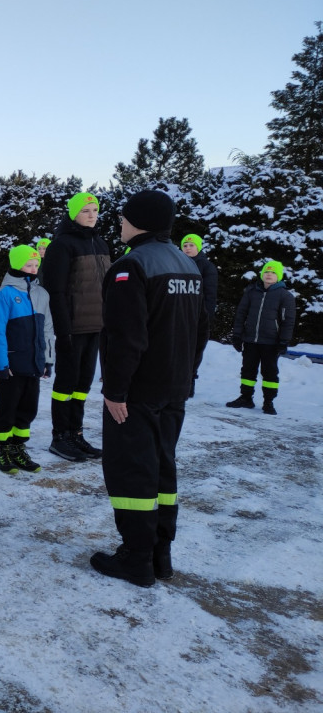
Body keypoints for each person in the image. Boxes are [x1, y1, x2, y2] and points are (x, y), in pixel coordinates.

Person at [90, 190, 209, 587]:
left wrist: (116, 390)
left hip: (139, 392)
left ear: (138, 221)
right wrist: (186, 376)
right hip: (174, 388)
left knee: (132, 472)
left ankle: (136, 558)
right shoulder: (188, 266)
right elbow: (200, 331)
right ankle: (161, 553)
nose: (119, 223)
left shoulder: (131, 266)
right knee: (163, 467)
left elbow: (126, 336)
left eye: (123, 217)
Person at [42, 192, 111, 462]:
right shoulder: (62, 245)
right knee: (66, 383)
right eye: (86, 210)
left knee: (83, 384)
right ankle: (60, 437)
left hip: (97, 326)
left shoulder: (101, 243)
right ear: (73, 213)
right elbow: (54, 291)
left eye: (95, 210)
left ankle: (76, 433)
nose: (92, 214)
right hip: (72, 328)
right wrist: (62, 329)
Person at [0, 245, 54, 475]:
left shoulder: (41, 294)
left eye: (36, 265)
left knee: (28, 408)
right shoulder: (3, 295)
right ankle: (2, 450)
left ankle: (18, 448)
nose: (33, 269)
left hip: (33, 364)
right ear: (16, 264)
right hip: (12, 366)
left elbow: (48, 329)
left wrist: (48, 360)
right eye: (29, 264)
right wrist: (0, 365)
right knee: (7, 408)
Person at [226, 260, 296, 415]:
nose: (269, 275)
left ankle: (268, 401)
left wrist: (284, 340)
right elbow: (241, 314)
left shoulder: (285, 296)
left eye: (272, 273)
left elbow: (288, 320)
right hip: (250, 340)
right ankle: (246, 398)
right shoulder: (251, 292)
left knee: (269, 372)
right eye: (266, 272)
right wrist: (237, 335)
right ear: (262, 275)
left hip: (271, 342)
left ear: (278, 276)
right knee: (247, 370)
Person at [180, 234, 218, 397]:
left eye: (191, 245)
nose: (188, 248)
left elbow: (210, 294)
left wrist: (207, 316)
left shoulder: (207, 267)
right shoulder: (177, 263)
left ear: (198, 247)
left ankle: (190, 382)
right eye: (185, 245)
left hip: (197, 315)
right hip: (178, 313)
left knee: (194, 350)